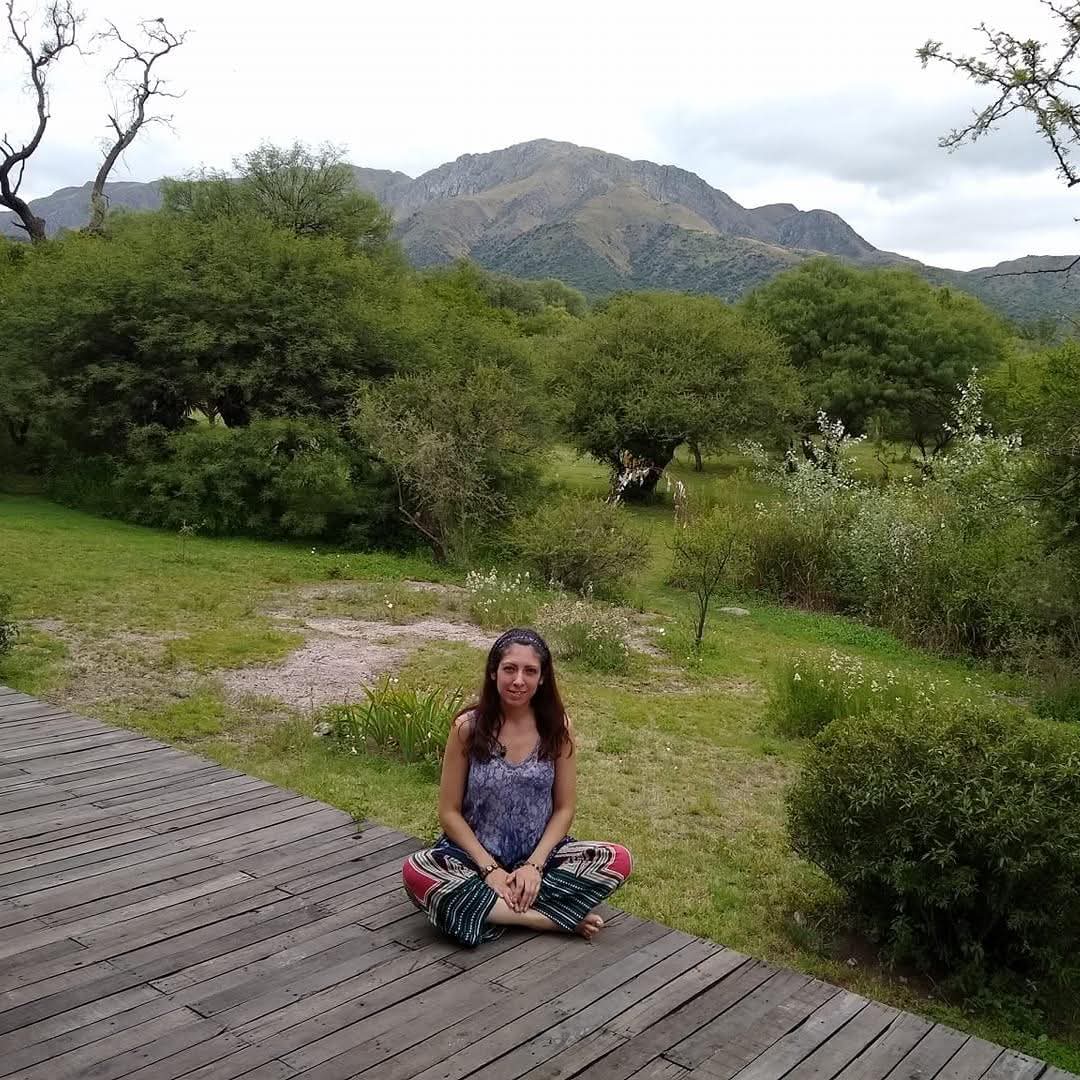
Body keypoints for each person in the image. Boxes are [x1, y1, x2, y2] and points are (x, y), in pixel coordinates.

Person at [401, 627, 632, 947]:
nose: (518, 680)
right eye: (509, 668)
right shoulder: (467, 728)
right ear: (493, 672)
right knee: (417, 871)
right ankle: (546, 919)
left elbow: (564, 809)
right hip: (472, 858)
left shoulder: (557, 728)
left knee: (617, 860)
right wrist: (490, 871)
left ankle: (493, 908)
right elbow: (449, 813)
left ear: (542, 679)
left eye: (530, 671)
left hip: (542, 859)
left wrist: (533, 867)